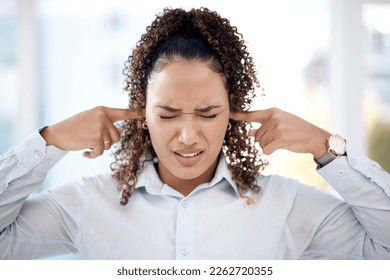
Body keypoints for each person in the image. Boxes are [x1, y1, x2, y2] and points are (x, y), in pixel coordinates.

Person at [0, 7, 389, 260]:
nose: (187, 135)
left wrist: (328, 148)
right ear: (143, 115)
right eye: (168, 115)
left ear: (233, 114)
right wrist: (48, 141)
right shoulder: (87, 202)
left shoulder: (287, 206)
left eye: (207, 113)